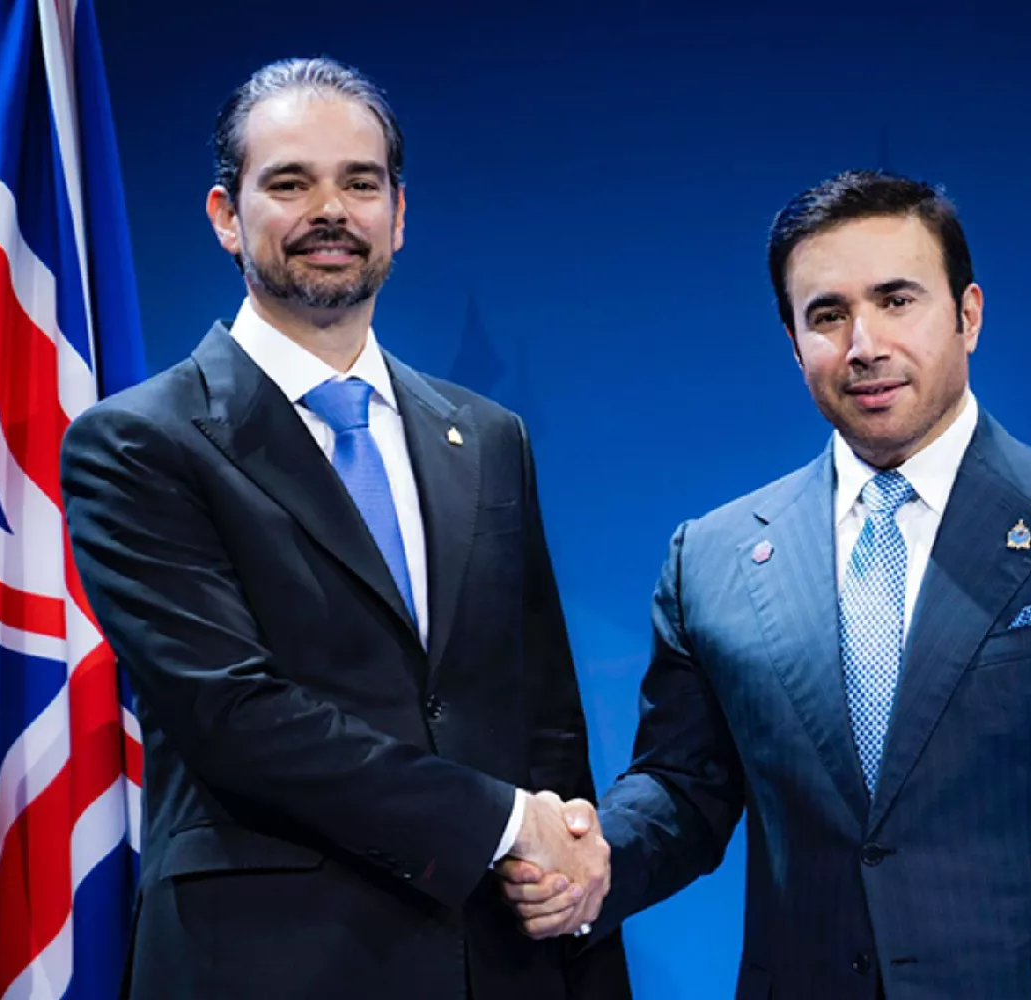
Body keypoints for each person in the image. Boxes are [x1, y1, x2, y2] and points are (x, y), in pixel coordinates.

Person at [504, 170, 1031, 999]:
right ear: (793, 344)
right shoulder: (709, 559)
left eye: (897, 301)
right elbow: (686, 788)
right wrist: (595, 856)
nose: (864, 345)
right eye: (827, 315)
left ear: (968, 315)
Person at [60, 56, 625, 1000]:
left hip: (499, 960)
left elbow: (545, 721)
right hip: (270, 963)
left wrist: (567, 870)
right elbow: (235, 717)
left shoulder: (488, 436)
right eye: (290, 183)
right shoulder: (138, 443)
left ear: (398, 215)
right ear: (225, 216)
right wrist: (499, 823)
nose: (331, 210)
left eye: (360, 184)